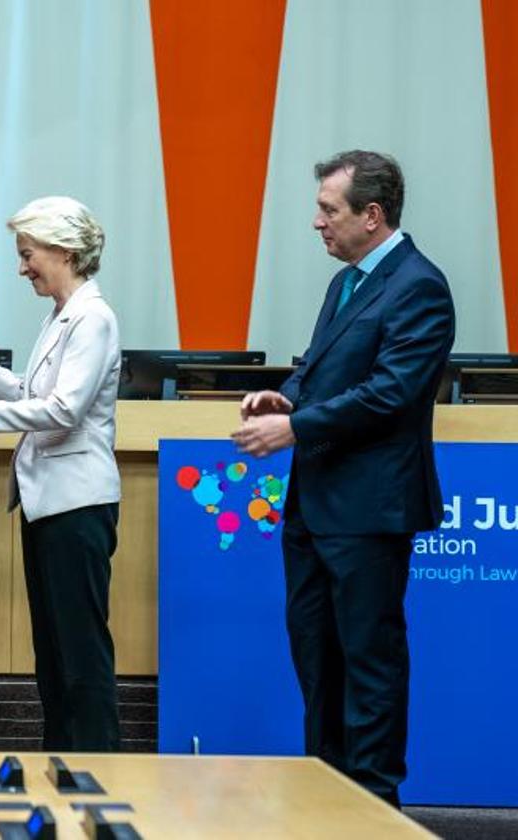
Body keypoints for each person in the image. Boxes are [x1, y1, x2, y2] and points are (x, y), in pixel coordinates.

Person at [233, 150, 455, 805]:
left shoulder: (419, 285)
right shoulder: (348, 281)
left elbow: (392, 393)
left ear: (373, 215)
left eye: (329, 210)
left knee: (369, 664)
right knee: (317, 662)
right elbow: (320, 365)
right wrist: (287, 398)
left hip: (368, 511)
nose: (317, 223)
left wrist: (296, 429)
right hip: (315, 509)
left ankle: (375, 804)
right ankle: (328, 798)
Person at [0, 196, 123, 751]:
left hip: (77, 507)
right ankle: (61, 768)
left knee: (81, 654)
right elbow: (33, 396)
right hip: (46, 504)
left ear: (63, 250)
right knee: (54, 654)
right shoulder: (62, 316)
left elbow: (63, 410)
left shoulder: (94, 318)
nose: (22, 268)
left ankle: (98, 778)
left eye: (27, 254)